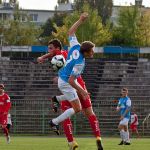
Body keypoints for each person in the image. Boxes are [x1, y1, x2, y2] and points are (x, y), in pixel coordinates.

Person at [37, 13, 103, 150]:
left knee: (76, 106)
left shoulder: (75, 46)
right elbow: (73, 81)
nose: (93, 52)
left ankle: (57, 99)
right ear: (86, 52)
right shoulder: (80, 63)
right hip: (67, 82)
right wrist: (83, 91)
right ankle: (54, 122)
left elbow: (71, 32)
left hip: (64, 80)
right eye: (92, 51)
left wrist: (80, 20)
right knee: (78, 108)